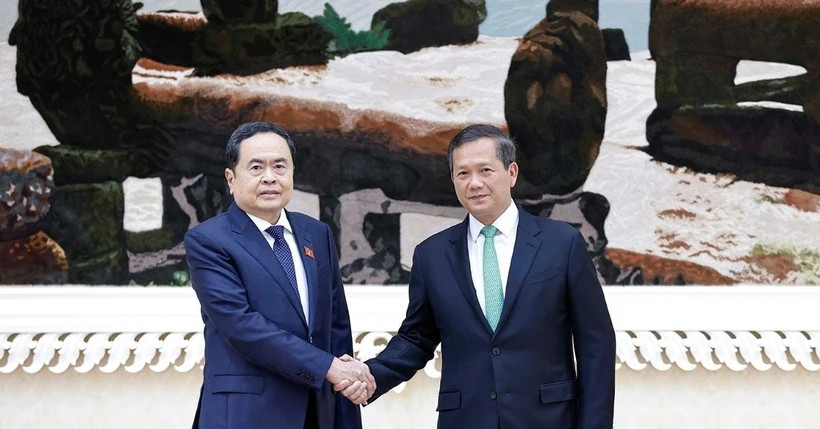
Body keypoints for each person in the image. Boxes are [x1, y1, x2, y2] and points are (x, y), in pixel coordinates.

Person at [340, 124, 615, 428]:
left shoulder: (562, 243)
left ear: (511, 173)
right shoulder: (431, 255)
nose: (474, 183)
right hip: (466, 418)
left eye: (485, 170)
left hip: (548, 418)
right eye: (463, 173)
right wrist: (370, 375)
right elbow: (417, 337)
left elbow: (596, 343)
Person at [185, 121, 374, 429]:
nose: (270, 177)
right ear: (231, 179)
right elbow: (242, 326)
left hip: (318, 411)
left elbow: (336, 326)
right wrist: (328, 368)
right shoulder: (208, 240)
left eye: (279, 166)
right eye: (256, 167)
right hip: (248, 415)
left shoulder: (316, 233)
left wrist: (345, 397)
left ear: (292, 174)